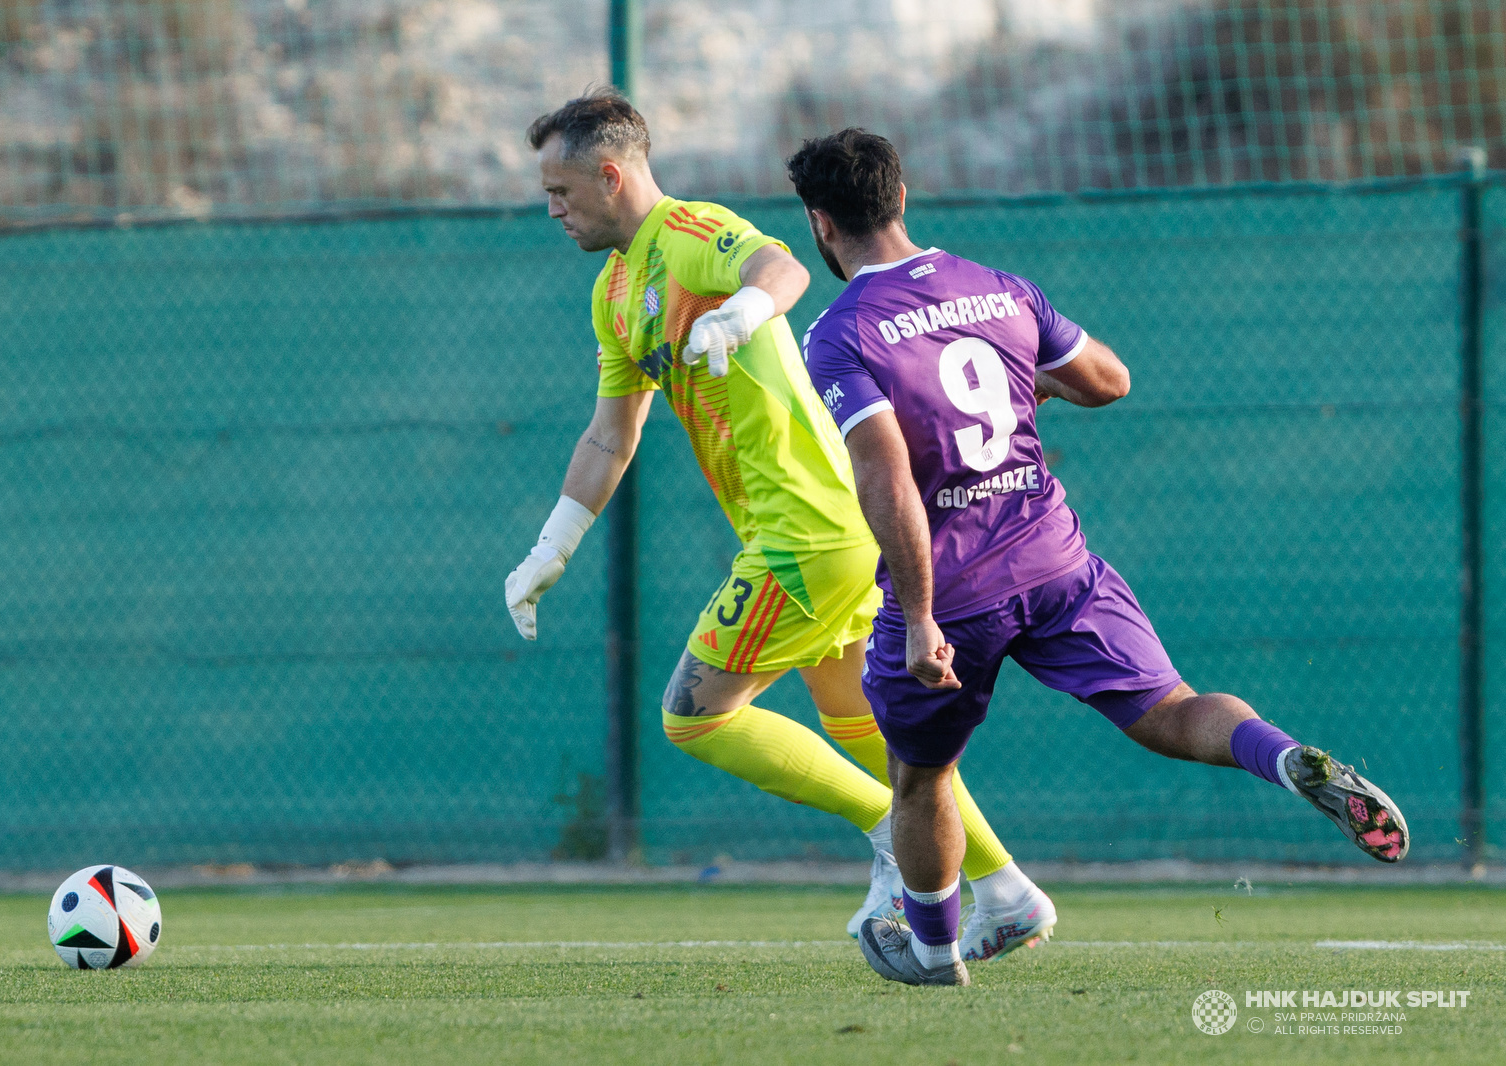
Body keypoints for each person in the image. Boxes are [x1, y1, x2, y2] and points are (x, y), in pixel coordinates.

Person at [790, 128, 1410, 987]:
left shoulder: (841, 331)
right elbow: (1109, 380)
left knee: (921, 778)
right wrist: (1030, 383)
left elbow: (886, 474)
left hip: (956, 592)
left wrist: (921, 618)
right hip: (1056, 564)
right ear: (900, 198)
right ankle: (1287, 757)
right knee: (1173, 710)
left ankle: (933, 951)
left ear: (821, 224)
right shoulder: (998, 290)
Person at [505, 92, 1052, 950]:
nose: (551, 210)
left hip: (806, 534)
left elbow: (784, 269)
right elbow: (610, 436)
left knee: (694, 717)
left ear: (610, 177)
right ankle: (1007, 889)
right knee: (865, 729)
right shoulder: (614, 292)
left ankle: (889, 837)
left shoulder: (692, 234)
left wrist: (744, 310)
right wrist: (553, 544)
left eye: (561, 191)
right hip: (828, 530)